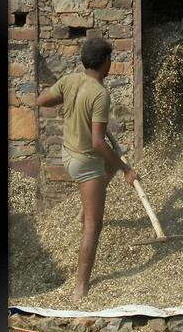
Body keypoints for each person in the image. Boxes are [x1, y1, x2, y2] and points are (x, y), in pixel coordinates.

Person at [36, 38, 139, 299]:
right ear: (106, 63)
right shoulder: (100, 95)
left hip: (68, 154)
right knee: (94, 225)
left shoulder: (70, 80)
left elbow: (41, 100)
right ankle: (80, 287)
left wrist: (66, 104)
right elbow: (97, 142)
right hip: (85, 163)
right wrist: (126, 169)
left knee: (112, 159)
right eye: (110, 60)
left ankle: (87, 206)